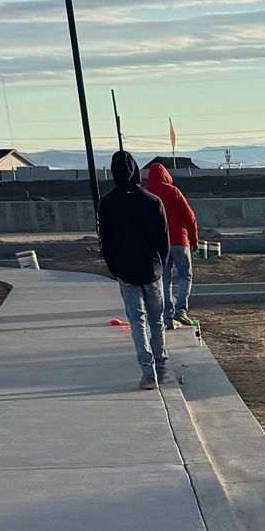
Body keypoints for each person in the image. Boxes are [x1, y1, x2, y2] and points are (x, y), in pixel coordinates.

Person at [97, 150, 170, 388]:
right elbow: (164, 240)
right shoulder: (152, 201)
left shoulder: (106, 203)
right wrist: (161, 262)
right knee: (156, 320)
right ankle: (162, 367)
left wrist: (114, 268)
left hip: (126, 270)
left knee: (137, 322)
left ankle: (148, 374)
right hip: (151, 269)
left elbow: (106, 242)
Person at [144, 158, 199, 328]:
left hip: (160, 246)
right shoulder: (174, 191)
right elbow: (189, 217)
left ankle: (168, 317)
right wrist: (194, 239)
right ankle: (180, 310)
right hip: (180, 241)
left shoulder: (146, 194)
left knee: (165, 279)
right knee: (185, 275)